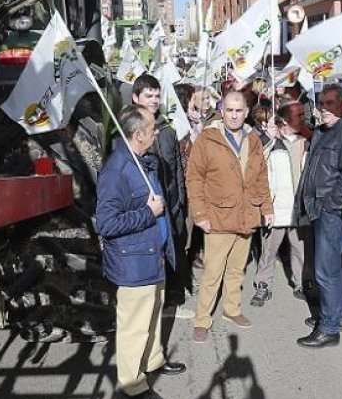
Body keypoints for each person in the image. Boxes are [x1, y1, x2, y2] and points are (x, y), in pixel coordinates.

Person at [95, 106, 186, 399]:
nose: (156, 132)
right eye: (152, 128)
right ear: (137, 135)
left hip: (152, 256)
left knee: (153, 315)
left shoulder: (144, 162)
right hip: (133, 263)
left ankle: (153, 360)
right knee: (134, 326)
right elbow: (107, 224)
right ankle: (132, 383)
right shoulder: (117, 171)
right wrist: (148, 212)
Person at [185, 90, 272, 344]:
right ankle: (202, 320)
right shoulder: (207, 139)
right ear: (222, 111)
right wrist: (200, 213)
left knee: (236, 270)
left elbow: (261, 176)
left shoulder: (253, 139)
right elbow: (194, 178)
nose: (234, 115)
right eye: (229, 110)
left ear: (246, 112)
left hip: (246, 215)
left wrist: (267, 208)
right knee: (212, 273)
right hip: (218, 217)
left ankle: (231, 309)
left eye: (239, 110)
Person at [296, 85, 342, 349]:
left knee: (326, 270)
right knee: (329, 267)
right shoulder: (322, 131)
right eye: (322, 103)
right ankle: (336, 315)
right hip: (318, 208)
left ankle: (329, 328)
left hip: (330, 211)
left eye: (331, 103)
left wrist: (332, 204)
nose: (324, 108)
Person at [131, 73, 191, 304]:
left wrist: (181, 200)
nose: (154, 100)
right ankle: (154, 296)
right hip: (147, 206)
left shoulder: (166, 129)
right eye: (149, 96)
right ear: (135, 97)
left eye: (157, 95)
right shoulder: (128, 130)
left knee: (176, 246)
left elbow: (176, 167)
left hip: (172, 202)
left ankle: (175, 290)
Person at [251, 103, 309, 306]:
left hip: (298, 208)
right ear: (284, 121)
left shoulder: (305, 142)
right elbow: (254, 162)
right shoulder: (269, 143)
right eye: (298, 115)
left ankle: (301, 283)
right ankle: (263, 284)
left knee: (300, 250)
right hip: (276, 208)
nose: (302, 118)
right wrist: (268, 137)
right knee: (269, 250)